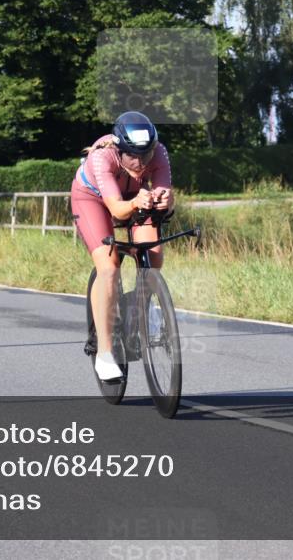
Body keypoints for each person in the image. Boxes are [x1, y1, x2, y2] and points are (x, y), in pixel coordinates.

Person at [71, 111, 174, 381]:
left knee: (154, 257)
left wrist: (165, 200)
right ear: (120, 148)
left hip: (135, 197)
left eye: (146, 155)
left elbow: (165, 191)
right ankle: (105, 354)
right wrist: (136, 203)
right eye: (133, 156)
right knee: (109, 267)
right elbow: (116, 208)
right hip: (92, 199)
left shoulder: (159, 152)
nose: (140, 163)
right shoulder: (102, 156)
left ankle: (133, 308)